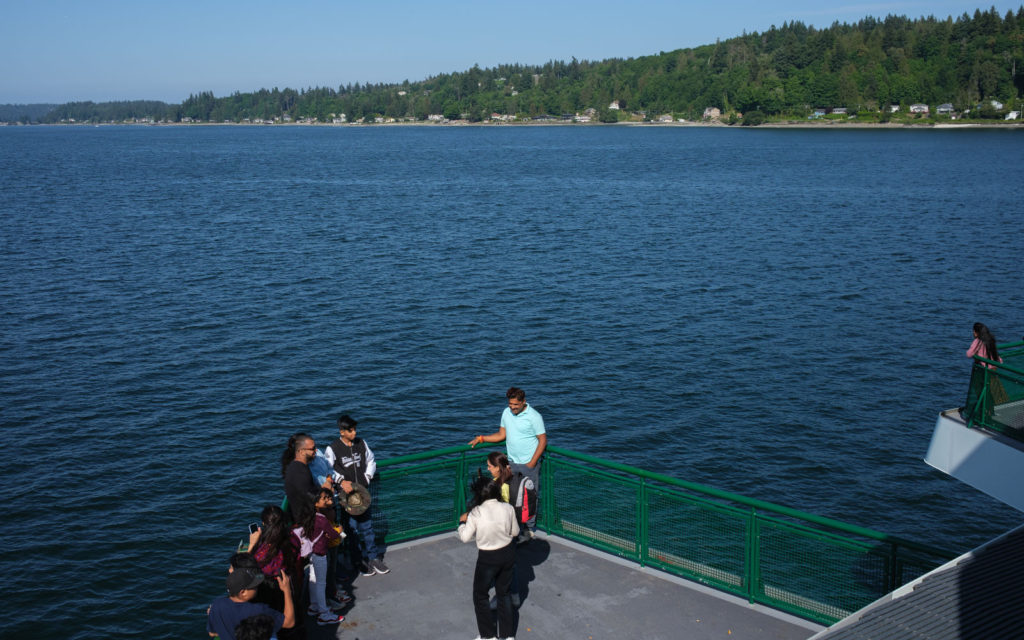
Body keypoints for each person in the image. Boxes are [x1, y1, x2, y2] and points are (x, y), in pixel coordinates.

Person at [469, 387, 547, 533]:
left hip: (528, 464)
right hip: (511, 463)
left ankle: (529, 528)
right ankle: (513, 525)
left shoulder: (534, 417)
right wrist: (481, 439)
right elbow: (501, 435)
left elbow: (542, 440)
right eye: (510, 404)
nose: (512, 408)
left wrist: (532, 463)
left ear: (524, 402)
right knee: (510, 495)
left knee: (529, 495)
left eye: (515, 405)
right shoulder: (506, 413)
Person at [324, 414, 390, 576]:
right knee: (351, 529)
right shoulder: (332, 449)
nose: (354, 433)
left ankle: (373, 558)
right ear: (342, 432)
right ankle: (357, 560)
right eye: (350, 430)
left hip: (362, 493)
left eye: (354, 430)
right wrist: (341, 481)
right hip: (346, 497)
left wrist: (367, 477)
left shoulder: (362, 443)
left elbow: (371, 461)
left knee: (367, 528)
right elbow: (327, 469)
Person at [459, 476, 519, 640]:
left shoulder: (476, 513)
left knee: (480, 595)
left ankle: (488, 636)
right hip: (507, 554)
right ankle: (508, 636)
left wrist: (461, 523)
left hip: (487, 558)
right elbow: (515, 533)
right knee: (503, 593)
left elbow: (465, 537)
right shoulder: (508, 508)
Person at [291, 493, 343, 626]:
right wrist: (339, 530)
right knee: (321, 583)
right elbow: (332, 534)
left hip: (311, 552)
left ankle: (313, 606)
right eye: (322, 498)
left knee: (313, 578)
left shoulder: (306, 517)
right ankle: (324, 614)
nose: (326, 500)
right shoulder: (321, 519)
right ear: (315, 503)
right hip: (320, 553)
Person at [207, 567, 295, 640]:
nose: (257, 586)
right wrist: (287, 590)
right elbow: (289, 623)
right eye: (253, 586)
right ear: (243, 592)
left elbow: (212, 633)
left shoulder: (216, 605)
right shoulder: (259, 610)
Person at [281, 433, 332, 521]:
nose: (316, 450)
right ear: (301, 451)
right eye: (312, 449)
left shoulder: (300, 467)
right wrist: (326, 496)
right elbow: (308, 496)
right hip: (307, 520)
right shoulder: (300, 472)